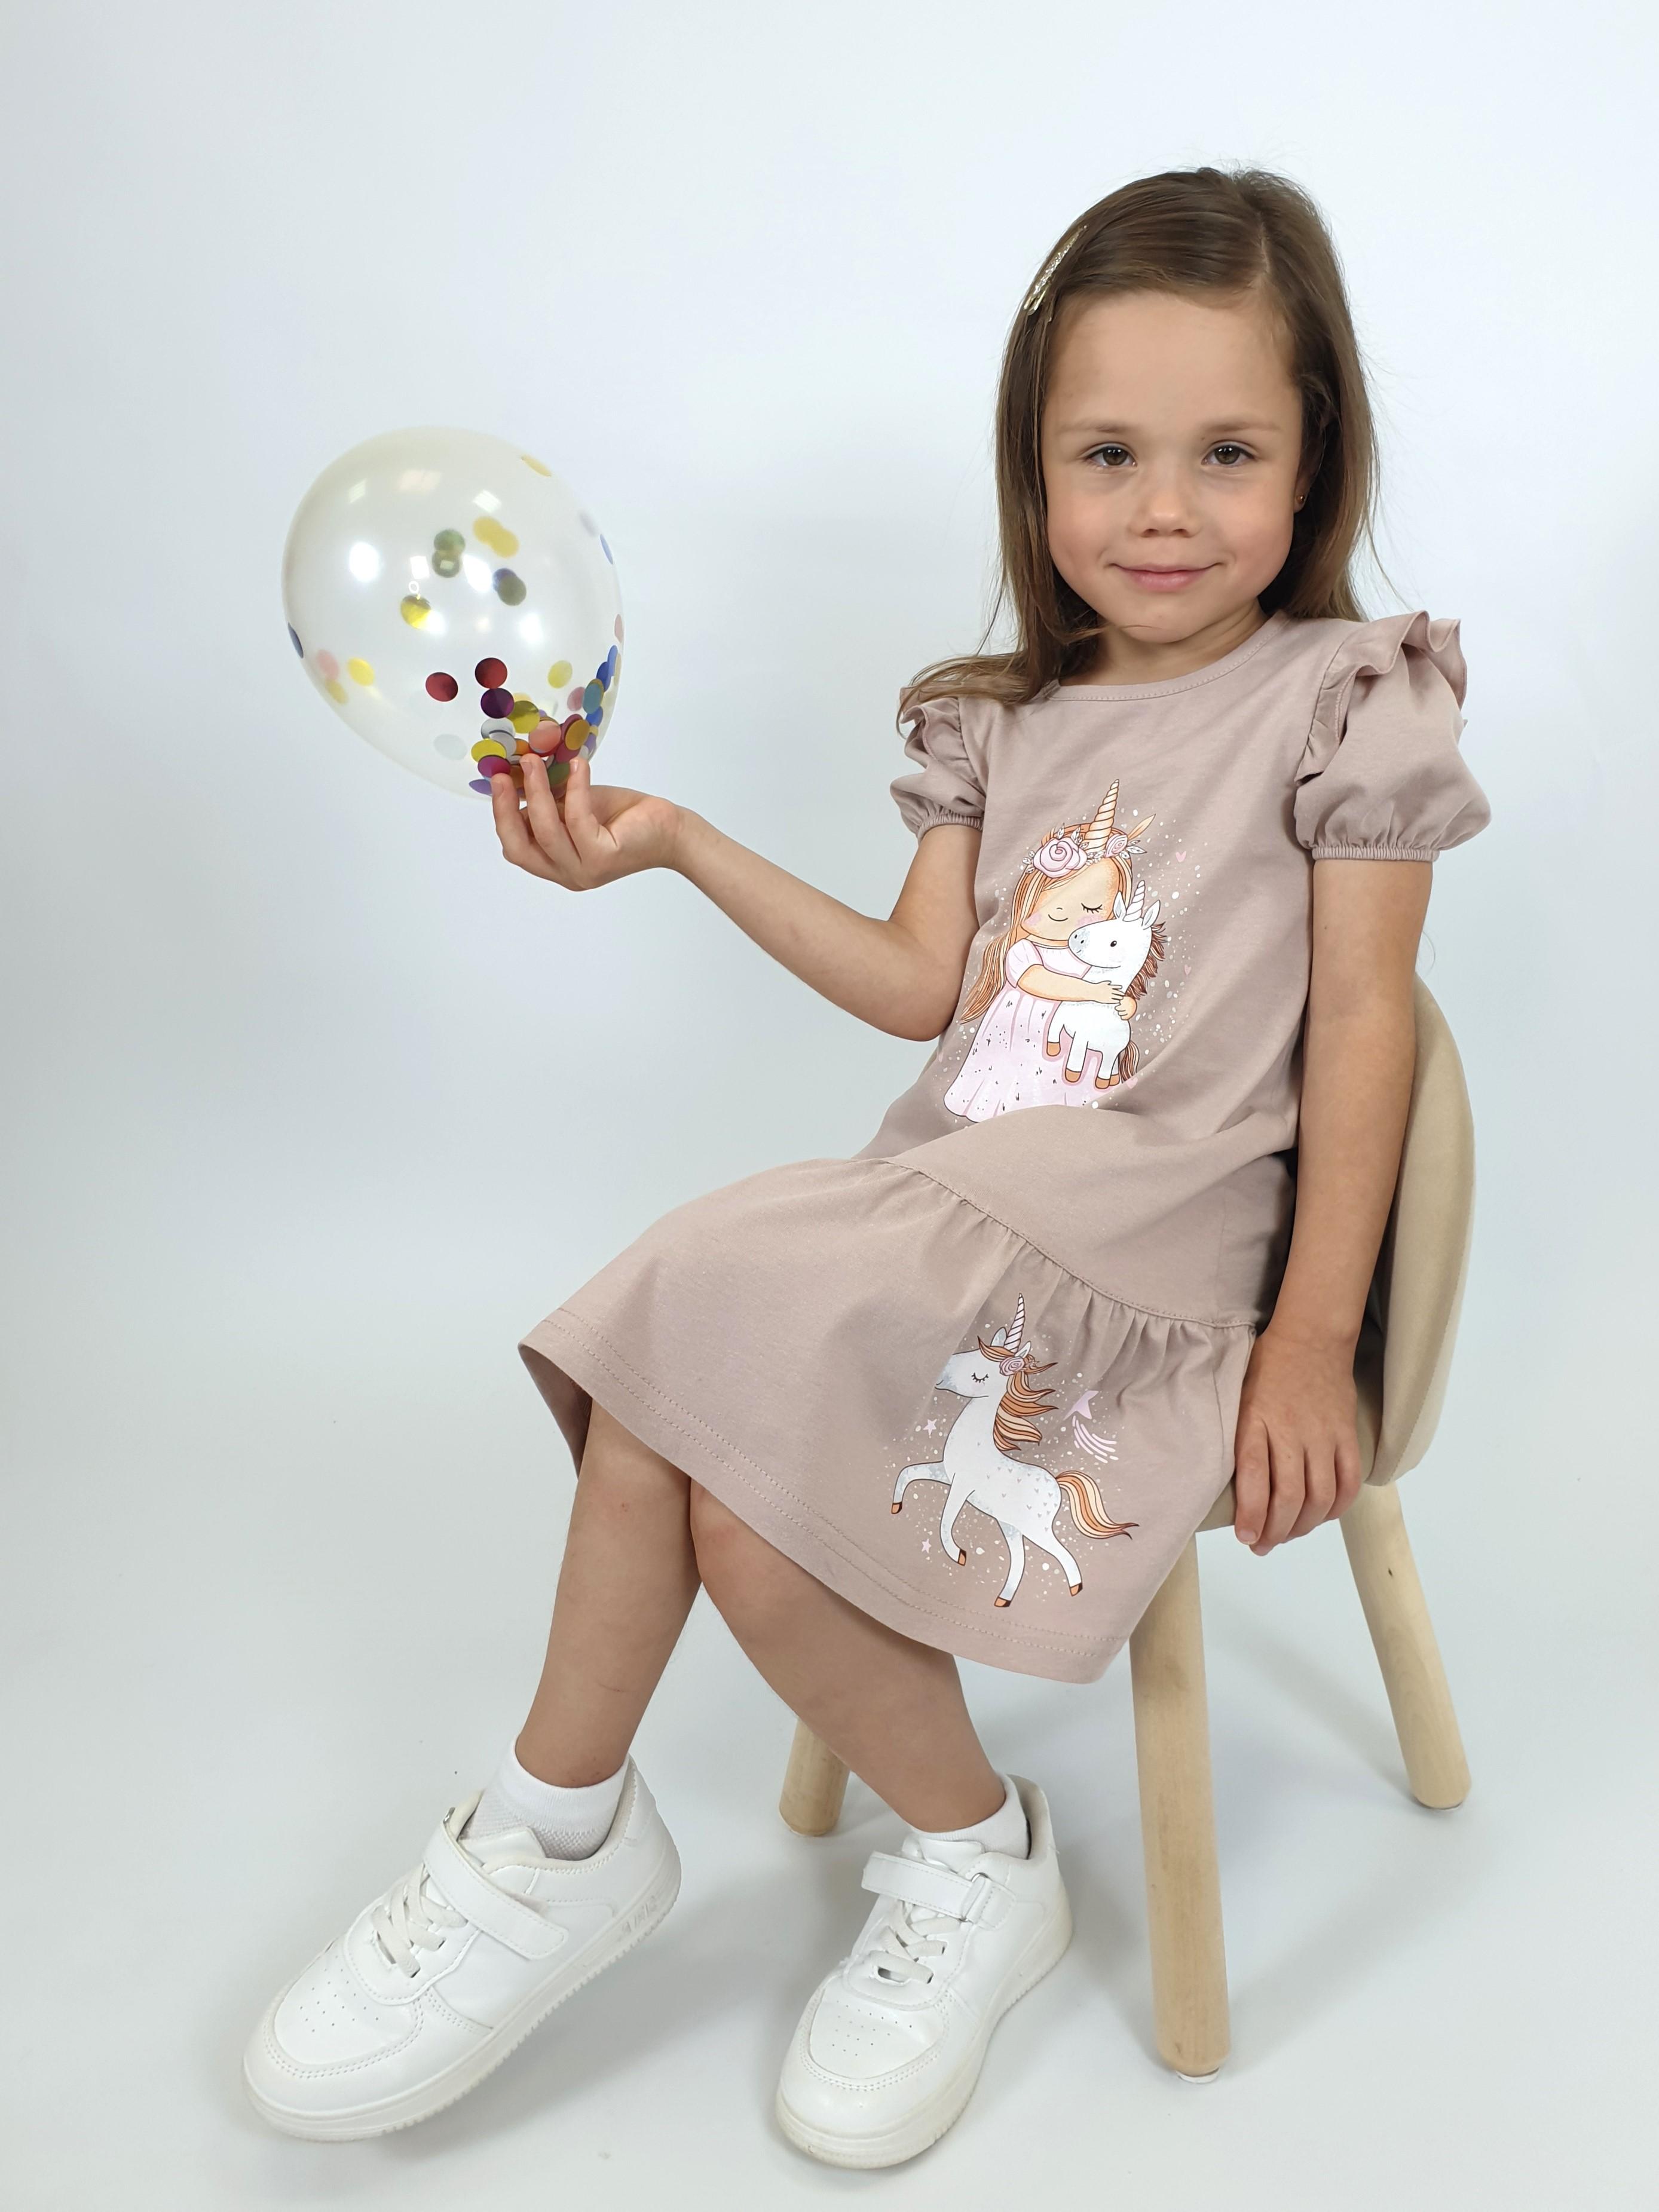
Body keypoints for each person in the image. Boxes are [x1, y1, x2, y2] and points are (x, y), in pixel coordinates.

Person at [243, 164, 1492, 2167]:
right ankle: (826, 1850)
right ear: (1035, 465)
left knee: (687, 1308)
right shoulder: (1001, 720)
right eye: (1109, 454)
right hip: (948, 1216)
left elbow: (1360, 1035)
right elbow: (926, 990)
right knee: (704, 1441)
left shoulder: (1347, 699)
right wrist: (673, 842)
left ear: (1315, 455)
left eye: (1228, 452)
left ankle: (590, 1838)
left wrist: (1305, 1341)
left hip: (1149, 1264)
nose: (1164, 510)